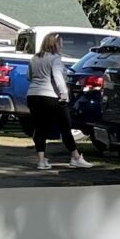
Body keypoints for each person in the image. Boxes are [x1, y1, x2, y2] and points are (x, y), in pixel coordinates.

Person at [26, 33, 92, 172]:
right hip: (51, 96)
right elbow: (58, 78)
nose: (62, 45)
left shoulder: (35, 58)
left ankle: (41, 160)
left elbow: (29, 76)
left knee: (39, 127)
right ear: (54, 44)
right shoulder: (55, 59)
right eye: (60, 43)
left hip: (33, 95)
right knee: (65, 126)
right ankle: (75, 157)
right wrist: (64, 95)